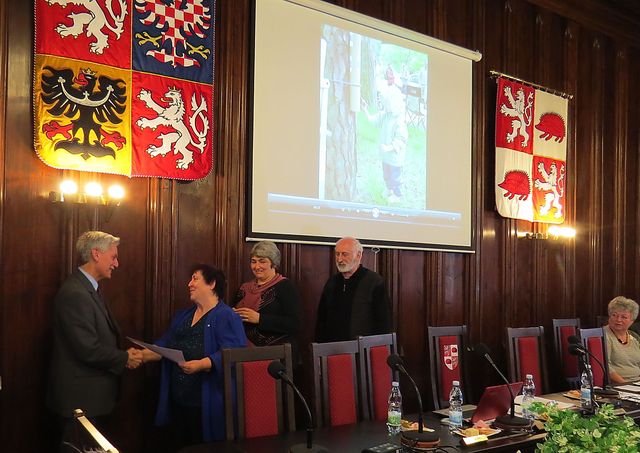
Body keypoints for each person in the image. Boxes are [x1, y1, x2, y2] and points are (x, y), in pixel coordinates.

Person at [47, 231, 143, 448]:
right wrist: (124, 358)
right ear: (96, 254)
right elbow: (87, 349)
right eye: (113, 257)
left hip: (91, 399)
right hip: (79, 401)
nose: (116, 264)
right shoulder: (75, 293)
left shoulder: (88, 288)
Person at [139, 264, 247, 448]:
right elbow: (167, 343)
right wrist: (143, 355)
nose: (189, 284)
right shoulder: (183, 315)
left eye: (195, 279)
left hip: (206, 401)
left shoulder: (226, 316)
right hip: (178, 398)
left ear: (212, 284)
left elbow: (234, 351)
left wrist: (202, 364)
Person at [315, 237, 391, 342]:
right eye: (337, 254)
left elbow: (384, 323)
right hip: (333, 348)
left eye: (344, 254)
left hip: (362, 349)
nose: (339, 259)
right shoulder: (332, 282)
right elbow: (321, 321)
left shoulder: (374, 282)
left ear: (359, 255)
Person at [232, 241, 300, 350]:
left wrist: (260, 319)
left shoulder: (285, 287)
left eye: (262, 261)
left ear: (273, 263)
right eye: (253, 261)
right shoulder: (244, 288)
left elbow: (294, 324)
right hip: (242, 350)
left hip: (277, 353)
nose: (256, 266)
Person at [362, 65, 408, 203]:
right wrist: (365, 110)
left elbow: (401, 139)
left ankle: (398, 195)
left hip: (395, 157)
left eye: (386, 104)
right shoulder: (385, 115)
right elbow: (373, 120)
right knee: (386, 175)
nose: (384, 106)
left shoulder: (399, 120)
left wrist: (389, 148)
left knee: (395, 177)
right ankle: (389, 189)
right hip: (386, 157)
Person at [604, 296, 640, 384]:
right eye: (614, 315)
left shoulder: (634, 337)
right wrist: (627, 385)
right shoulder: (603, 336)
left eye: (624, 317)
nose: (618, 320)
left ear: (632, 321)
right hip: (618, 385)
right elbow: (606, 367)